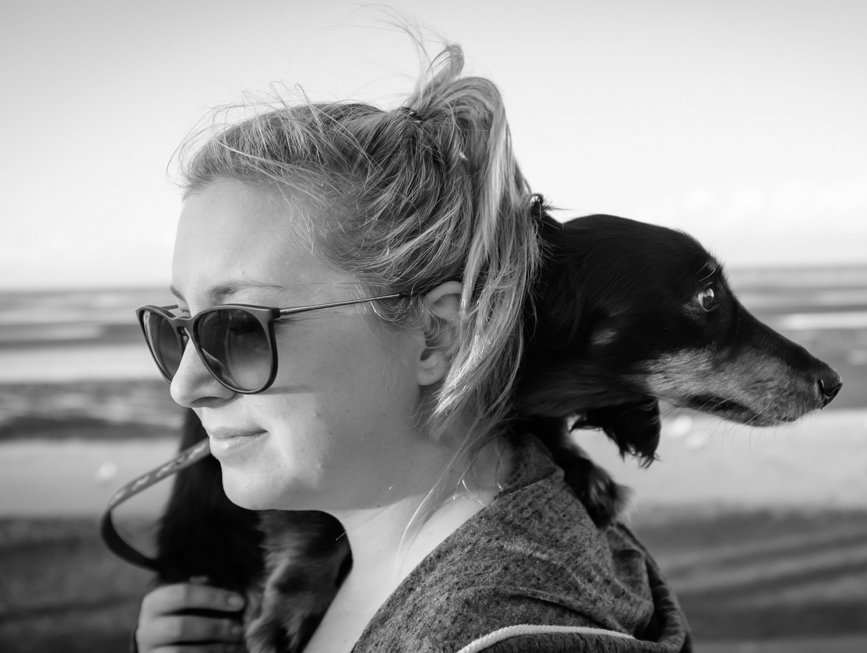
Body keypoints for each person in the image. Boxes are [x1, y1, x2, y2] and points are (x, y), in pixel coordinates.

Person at [134, 44, 692, 653]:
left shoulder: (500, 631)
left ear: (436, 333)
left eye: (238, 328)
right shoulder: (335, 569)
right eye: (181, 326)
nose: (184, 386)